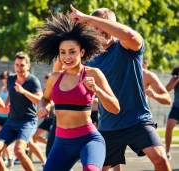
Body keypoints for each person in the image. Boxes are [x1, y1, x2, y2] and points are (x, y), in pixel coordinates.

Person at [68, 5, 171, 171]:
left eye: (104, 25)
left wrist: (90, 19)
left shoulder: (128, 47)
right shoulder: (91, 58)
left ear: (114, 25)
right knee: (97, 168)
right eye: (96, 29)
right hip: (109, 125)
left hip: (138, 120)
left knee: (159, 158)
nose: (100, 31)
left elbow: (129, 34)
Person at [31, 13, 120, 171]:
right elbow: (44, 99)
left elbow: (115, 108)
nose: (67, 56)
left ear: (82, 52)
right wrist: (41, 107)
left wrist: (97, 90)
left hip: (89, 140)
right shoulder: (55, 77)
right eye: (63, 52)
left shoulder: (94, 74)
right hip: (62, 142)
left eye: (72, 51)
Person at [112, 60, 172, 171]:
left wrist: (154, 95)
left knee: (160, 159)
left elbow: (167, 99)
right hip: (114, 122)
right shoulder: (111, 71)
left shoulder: (146, 75)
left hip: (139, 121)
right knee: (108, 163)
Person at [0, 52, 43, 171]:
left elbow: (39, 100)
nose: (19, 68)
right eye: (17, 65)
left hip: (27, 122)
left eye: (22, 65)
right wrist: (7, 101)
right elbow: (11, 91)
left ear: (28, 66)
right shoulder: (11, 79)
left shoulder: (33, 81)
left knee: (19, 151)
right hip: (11, 121)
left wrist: (24, 91)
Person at [0, 70, 15, 168]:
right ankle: (4, 157)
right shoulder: (1, 89)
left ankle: (8, 157)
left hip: (8, 117)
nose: (4, 80)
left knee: (2, 139)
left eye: (6, 78)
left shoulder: (12, 89)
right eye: (3, 78)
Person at [165, 66, 179, 160]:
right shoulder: (174, 78)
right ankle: (167, 151)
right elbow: (167, 89)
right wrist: (177, 80)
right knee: (169, 127)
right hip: (176, 108)